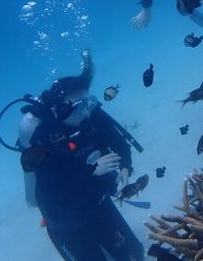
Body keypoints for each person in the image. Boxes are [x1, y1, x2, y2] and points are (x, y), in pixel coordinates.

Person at [18, 50, 144, 261]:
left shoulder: (91, 116)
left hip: (98, 203)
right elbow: (52, 192)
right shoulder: (43, 141)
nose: (87, 111)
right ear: (60, 111)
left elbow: (119, 142)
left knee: (135, 254)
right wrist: (91, 172)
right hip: (66, 223)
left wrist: (126, 165)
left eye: (90, 102)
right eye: (79, 107)